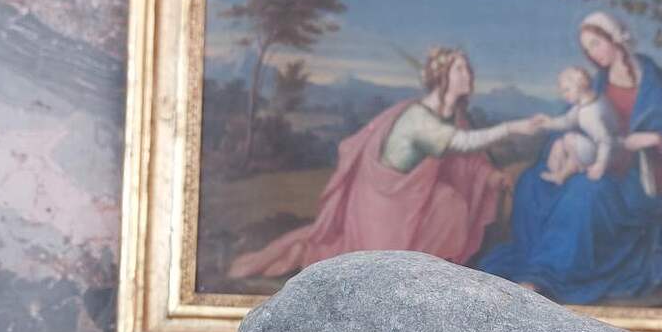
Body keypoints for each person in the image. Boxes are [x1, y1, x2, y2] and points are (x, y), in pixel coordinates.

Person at [228, 47, 545, 279]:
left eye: (468, 69)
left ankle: (431, 273)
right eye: (461, 69)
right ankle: (422, 274)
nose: (469, 75)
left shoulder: (452, 116)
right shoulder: (419, 117)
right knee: (381, 256)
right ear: (442, 77)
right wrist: (513, 128)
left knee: (449, 203)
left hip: (414, 197)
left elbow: (466, 162)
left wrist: (490, 177)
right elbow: (461, 144)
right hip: (386, 203)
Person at [479, 11, 662, 305]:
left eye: (596, 44)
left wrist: (653, 138)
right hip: (597, 159)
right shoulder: (599, 82)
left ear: (615, 39)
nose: (593, 54)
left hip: (633, 177)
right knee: (533, 182)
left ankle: (543, 274)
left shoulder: (653, 82)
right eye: (587, 49)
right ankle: (535, 256)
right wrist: (558, 143)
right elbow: (574, 119)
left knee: (583, 191)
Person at [540, 66, 618, 187]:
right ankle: (560, 174)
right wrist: (548, 122)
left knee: (569, 138)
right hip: (599, 147)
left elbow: (605, 140)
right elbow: (567, 121)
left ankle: (562, 175)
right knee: (558, 145)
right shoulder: (586, 102)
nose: (564, 95)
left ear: (581, 86)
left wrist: (600, 164)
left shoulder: (590, 113)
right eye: (562, 92)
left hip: (608, 154)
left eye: (567, 90)